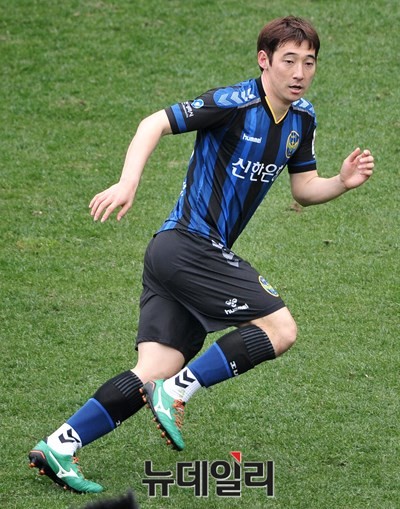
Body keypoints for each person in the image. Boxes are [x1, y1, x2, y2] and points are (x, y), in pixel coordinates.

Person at [28, 16, 374, 494]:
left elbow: (304, 189)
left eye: (309, 63)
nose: (299, 73)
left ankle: (59, 445)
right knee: (281, 329)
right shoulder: (233, 103)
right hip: (188, 246)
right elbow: (154, 122)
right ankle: (177, 392)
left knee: (152, 371)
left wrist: (342, 182)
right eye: (289, 61)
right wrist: (128, 182)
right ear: (264, 60)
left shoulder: (303, 119)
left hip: (179, 257)